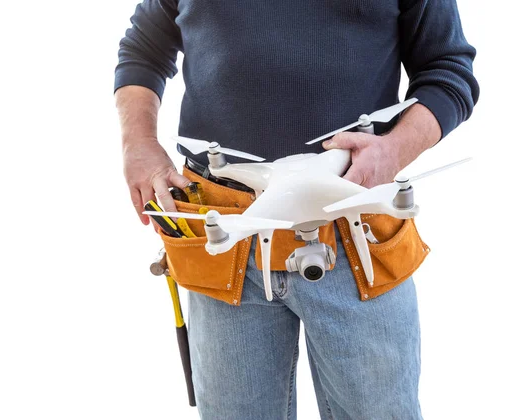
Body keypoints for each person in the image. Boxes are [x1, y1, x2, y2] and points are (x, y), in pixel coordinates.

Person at [114, 0, 479, 418]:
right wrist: (137, 143)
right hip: (224, 232)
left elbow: (449, 71)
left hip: (354, 229)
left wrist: (394, 150)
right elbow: (143, 50)